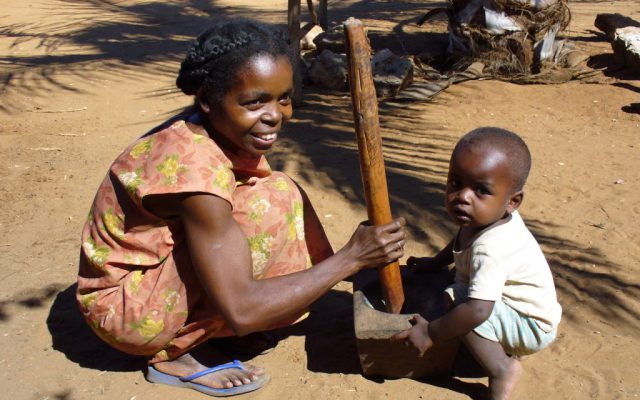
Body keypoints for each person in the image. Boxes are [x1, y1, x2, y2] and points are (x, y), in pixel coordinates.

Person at [77, 18, 406, 397]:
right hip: (127, 310)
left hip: (150, 272)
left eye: (284, 97)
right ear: (207, 99)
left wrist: (359, 264)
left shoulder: (210, 127)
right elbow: (242, 310)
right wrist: (351, 259)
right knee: (257, 214)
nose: (276, 115)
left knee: (279, 191)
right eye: (254, 102)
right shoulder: (194, 170)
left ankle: (232, 319)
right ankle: (173, 355)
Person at [393, 127, 561, 400]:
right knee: (456, 287)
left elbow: (479, 309)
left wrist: (430, 332)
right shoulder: (486, 219)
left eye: (481, 190)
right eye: (455, 183)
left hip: (529, 326)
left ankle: (502, 368)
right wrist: (435, 262)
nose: (463, 196)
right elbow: (461, 242)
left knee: (460, 301)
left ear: (513, 201)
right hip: (522, 311)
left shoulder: (491, 248)